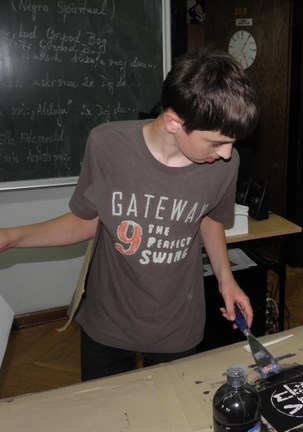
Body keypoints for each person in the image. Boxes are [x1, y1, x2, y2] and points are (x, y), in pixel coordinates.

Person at [0, 46, 260, 380]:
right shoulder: (107, 145)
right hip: (108, 322)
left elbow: (209, 217)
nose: (226, 154)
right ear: (174, 122)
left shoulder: (224, 164)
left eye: (232, 143)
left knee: (170, 409)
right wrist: (11, 237)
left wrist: (226, 278)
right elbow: (87, 220)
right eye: (215, 142)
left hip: (176, 325)